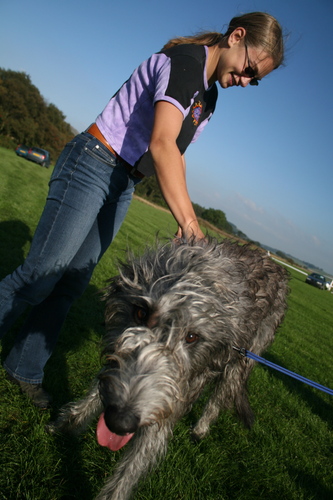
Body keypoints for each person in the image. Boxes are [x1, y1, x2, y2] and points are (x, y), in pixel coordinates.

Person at [0, 12, 284, 407]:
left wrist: (185, 221)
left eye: (255, 81)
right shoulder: (186, 63)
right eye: (250, 70)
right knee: (39, 276)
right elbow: (161, 144)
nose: (247, 81)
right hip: (93, 162)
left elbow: (177, 156)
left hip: (124, 181)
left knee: (70, 285)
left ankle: (23, 368)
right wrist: (188, 222)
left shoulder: (209, 97)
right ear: (237, 37)